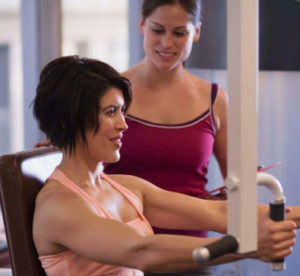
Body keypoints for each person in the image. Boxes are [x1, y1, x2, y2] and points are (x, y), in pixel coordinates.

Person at [32, 55, 297, 276]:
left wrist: (291, 216)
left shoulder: (125, 187)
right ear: (68, 120)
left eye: (122, 112)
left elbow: (213, 213)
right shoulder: (59, 206)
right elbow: (142, 251)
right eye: (110, 112)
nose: (124, 124)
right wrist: (247, 245)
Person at [103, 1, 227, 273]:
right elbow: (82, 171)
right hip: (119, 256)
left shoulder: (215, 100)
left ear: (196, 32)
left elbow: (237, 181)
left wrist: (230, 196)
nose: (166, 43)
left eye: (179, 33)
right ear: (141, 25)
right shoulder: (107, 93)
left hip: (191, 256)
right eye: (157, 30)